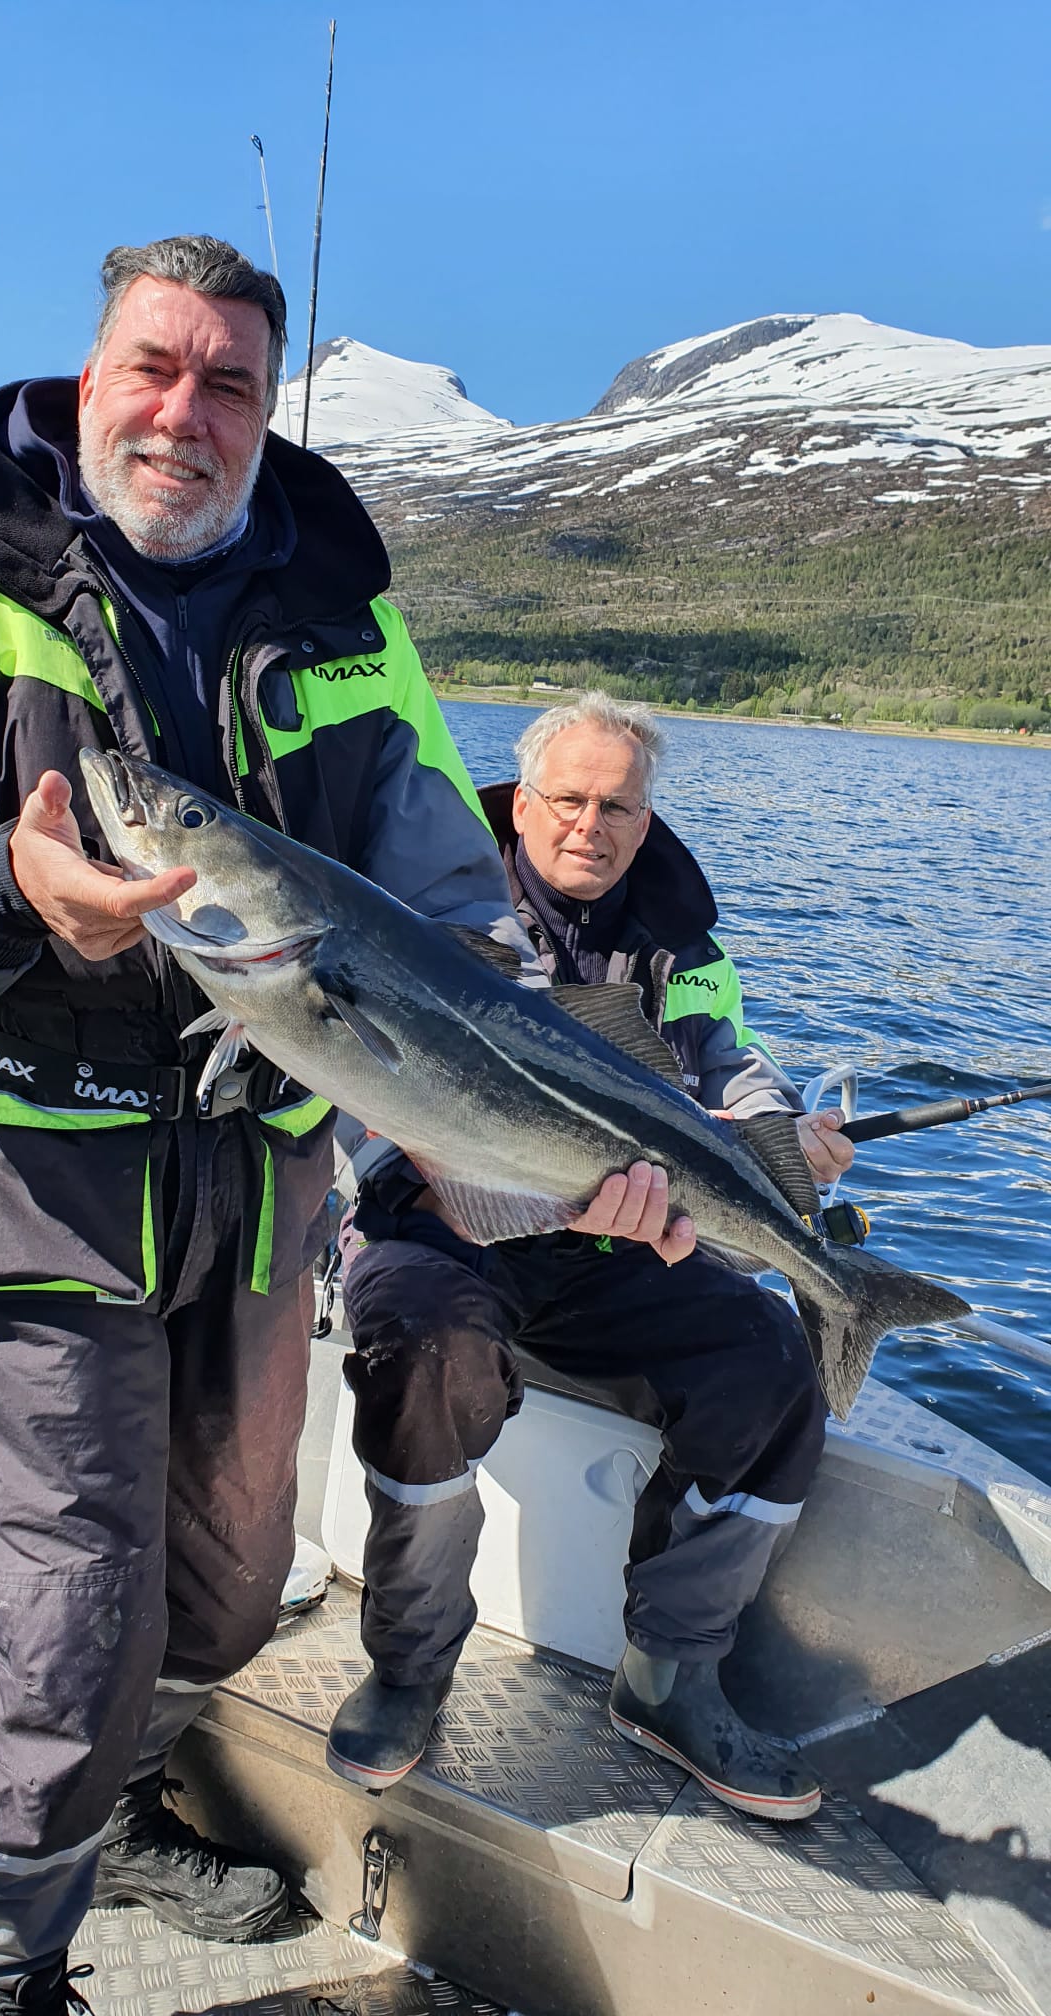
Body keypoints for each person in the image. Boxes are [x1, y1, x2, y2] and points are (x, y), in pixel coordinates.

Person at [0, 235, 631, 2016]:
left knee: (228, 1597)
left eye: (228, 381)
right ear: (88, 384)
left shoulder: (352, 623)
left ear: (261, 408)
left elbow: (458, 929)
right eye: (151, 371)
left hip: (256, 1190)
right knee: (68, 1618)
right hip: (37, 1179)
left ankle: (117, 1799)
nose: (185, 412)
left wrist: (574, 1134)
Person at [327, 690, 854, 1824]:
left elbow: (733, 1066)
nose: (591, 823)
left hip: (618, 1240)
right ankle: (410, 1666)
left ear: (648, 821)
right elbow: (366, 1079)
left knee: (769, 1358)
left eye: (619, 805)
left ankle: (671, 1674)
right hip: (437, 1219)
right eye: (568, 798)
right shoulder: (437, 908)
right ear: (520, 804)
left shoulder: (678, 940)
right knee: (425, 1352)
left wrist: (791, 1143)